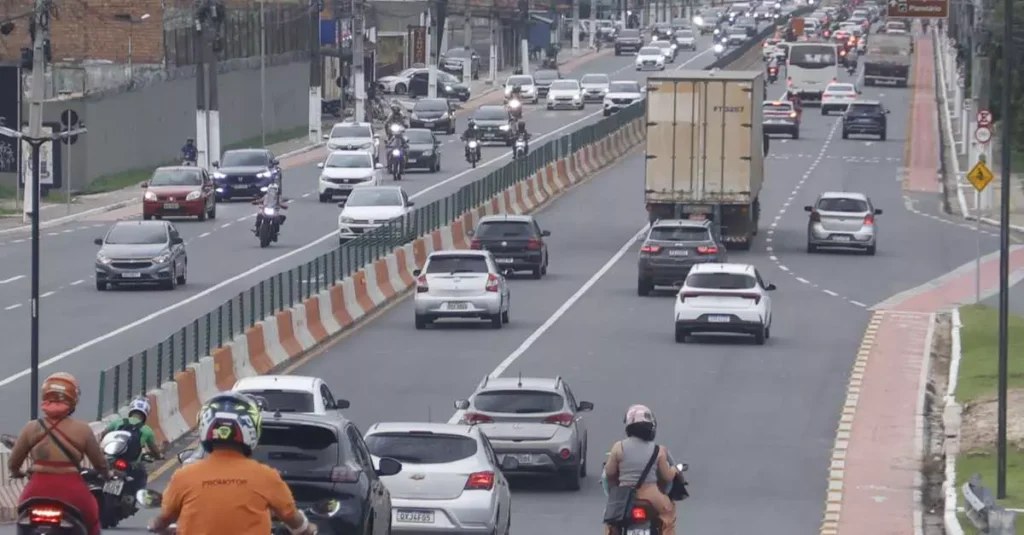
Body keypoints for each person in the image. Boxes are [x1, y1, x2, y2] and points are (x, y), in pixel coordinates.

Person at [147, 392, 317, 535]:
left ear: (206, 427)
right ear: (251, 429)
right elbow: (292, 518)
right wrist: (308, 529)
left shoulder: (184, 476)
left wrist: (154, 525)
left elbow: (164, 517)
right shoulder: (266, 476)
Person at [7, 373, 109, 535]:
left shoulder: (31, 427)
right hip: (71, 490)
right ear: (73, 399)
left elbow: (13, 463)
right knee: (92, 516)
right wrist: (106, 474)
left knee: (23, 515)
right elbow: (99, 463)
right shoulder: (82, 429)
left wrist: (17, 473)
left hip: (36, 489)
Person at [603, 405, 679, 535]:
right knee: (669, 512)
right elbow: (666, 477)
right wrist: (674, 470)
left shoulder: (618, 447)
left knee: (610, 519)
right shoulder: (658, 450)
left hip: (624, 497)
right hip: (652, 496)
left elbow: (609, 473)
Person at [102, 396, 163, 498]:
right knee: (142, 476)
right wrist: (158, 456)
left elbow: (104, 434)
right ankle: (138, 497)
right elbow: (154, 450)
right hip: (131, 464)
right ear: (145, 413)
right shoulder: (146, 430)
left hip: (112, 460)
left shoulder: (118, 422)